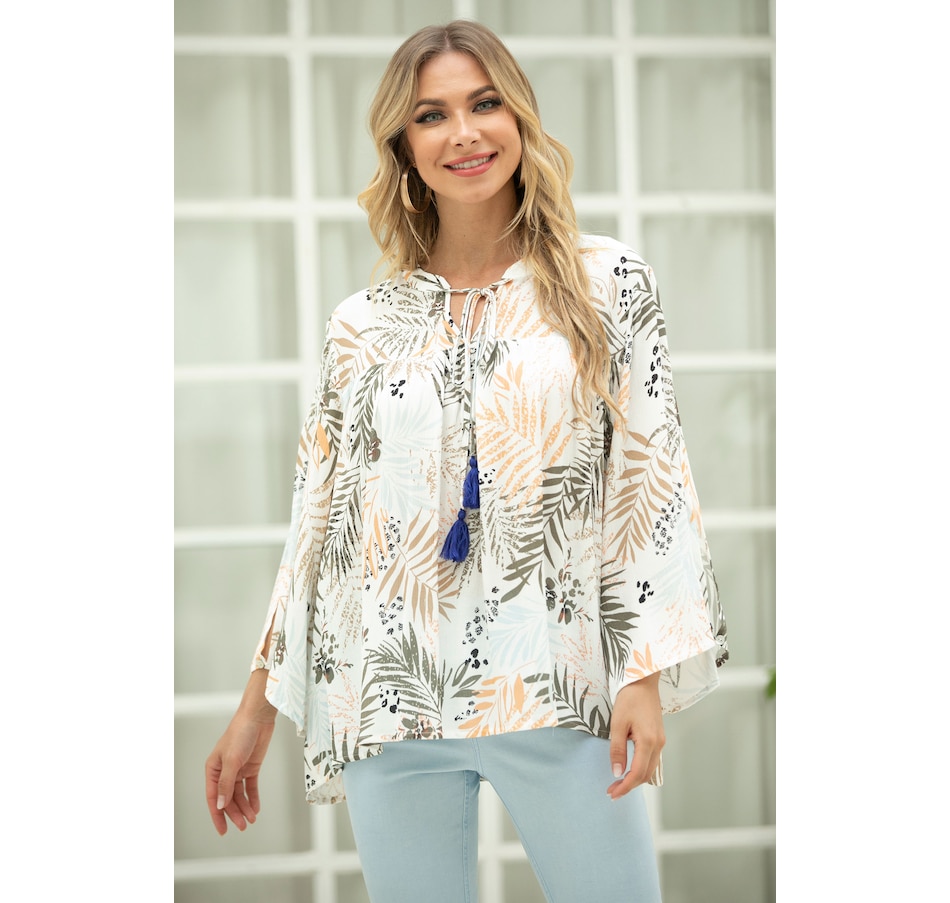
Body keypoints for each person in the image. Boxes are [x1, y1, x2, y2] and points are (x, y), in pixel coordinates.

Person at [205, 19, 728, 903]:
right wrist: (256, 707)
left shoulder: (609, 284)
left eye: (484, 104)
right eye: (431, 115)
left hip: (559, 687)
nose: (464, 132)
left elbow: (651, 481)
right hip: (393, 701)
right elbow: (317, 527)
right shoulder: (362, 324)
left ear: (518, 117)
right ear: (404, 147)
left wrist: (638, 672)